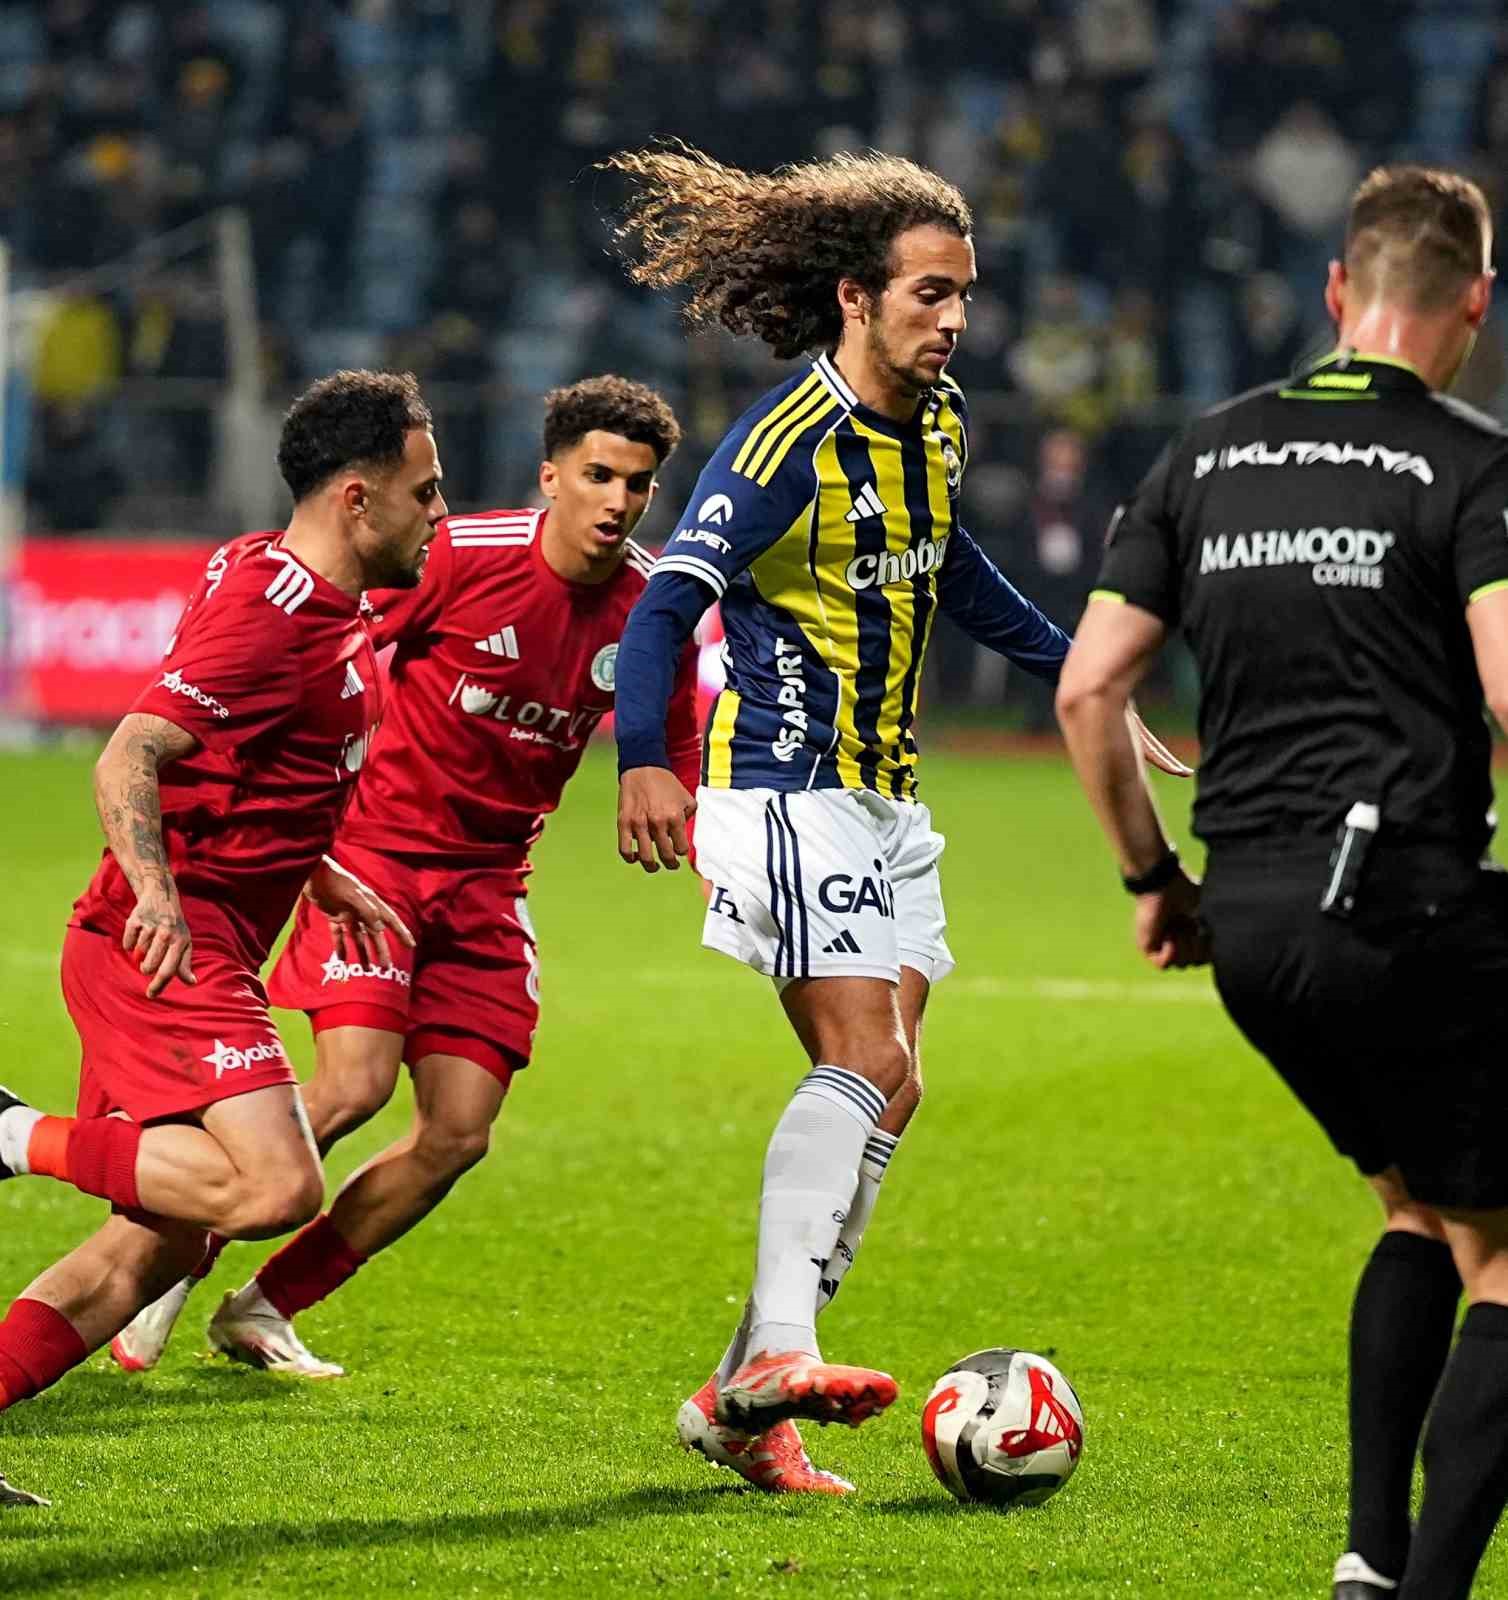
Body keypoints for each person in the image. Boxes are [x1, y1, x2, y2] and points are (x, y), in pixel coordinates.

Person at [603, 143, 1187, 1495]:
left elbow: (950, 564)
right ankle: (780, 1352)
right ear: (857, 298)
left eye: (965, 294)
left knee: (897, 1081)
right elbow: (664, 607)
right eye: (932, 293)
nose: (957, 318)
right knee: (862, 1055)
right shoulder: (781, 445)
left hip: (888, 799)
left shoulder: (937, 418)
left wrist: (1082, 676)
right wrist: (642, 760)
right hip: (786, 785)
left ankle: (734, 1404)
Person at [1056, 166, 1508, 1600]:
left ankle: (1370, 1557)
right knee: (1504, 1254)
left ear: (1334, 293)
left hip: (1249, 925)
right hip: (1405, 906)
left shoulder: (1206, 452)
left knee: (1414, 1208)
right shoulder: (1470, 461)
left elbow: (1088, 690)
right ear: (1475, 303)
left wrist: (1155, 877)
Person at [108, 376, 701, 1381]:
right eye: (598, 475)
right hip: (374, 855)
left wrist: (677, 797)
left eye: (636, 485)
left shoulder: (651, 609)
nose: (616, 500)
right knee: (354, 1086)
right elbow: (328, 636)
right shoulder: (461, 558)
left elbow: (677, 732)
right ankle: (166, 1260)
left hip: (491, 882)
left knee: (458, 1133)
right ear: (550, 476)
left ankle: (263, 1307)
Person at [0, 369, 440, 1507]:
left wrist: (317, 867)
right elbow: (131, 752)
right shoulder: (272, 614)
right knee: (274, 1186)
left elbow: (254, 762)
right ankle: (10, 1133)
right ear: (355, 498)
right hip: (166, 949)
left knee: (152, 1246)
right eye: (423, 492)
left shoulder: (283, 578)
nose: (437, 515)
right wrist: (155, 894)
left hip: (200, 937)